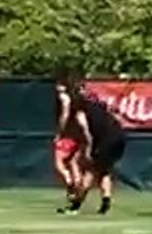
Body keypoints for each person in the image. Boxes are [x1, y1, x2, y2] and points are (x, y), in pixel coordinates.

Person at [63, 88, 126, 216]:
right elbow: (116, 118)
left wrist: (89, 149)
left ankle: (75, 206)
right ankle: (105, 204)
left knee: (91, 171)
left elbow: (87, 133)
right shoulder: (97, 106)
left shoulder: (81, 113)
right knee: (103, 171)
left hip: (106, 139)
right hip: (119, 136)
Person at [53, 78, 83, 206]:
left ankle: (69, 180)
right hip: (79, 134)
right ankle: (77, 190)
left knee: (59, 162)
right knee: (73, 163)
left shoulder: (64, 98)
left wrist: (60, 131)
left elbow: (65, 115)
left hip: (68, 134)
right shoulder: (79, 99)